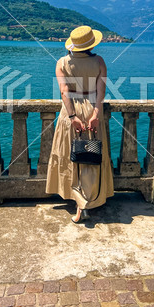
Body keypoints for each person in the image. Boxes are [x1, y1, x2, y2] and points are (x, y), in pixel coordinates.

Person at [45, 25, 114, 223]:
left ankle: (79, 203)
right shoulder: (99, 61)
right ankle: (90, 199)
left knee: (73, 157)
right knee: (91, 156)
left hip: (71, 109)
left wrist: (73, 117)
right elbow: (101, 92)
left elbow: (64, 91)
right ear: (91, 44)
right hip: (93, 108)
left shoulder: (62, 62)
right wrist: (96, 114)